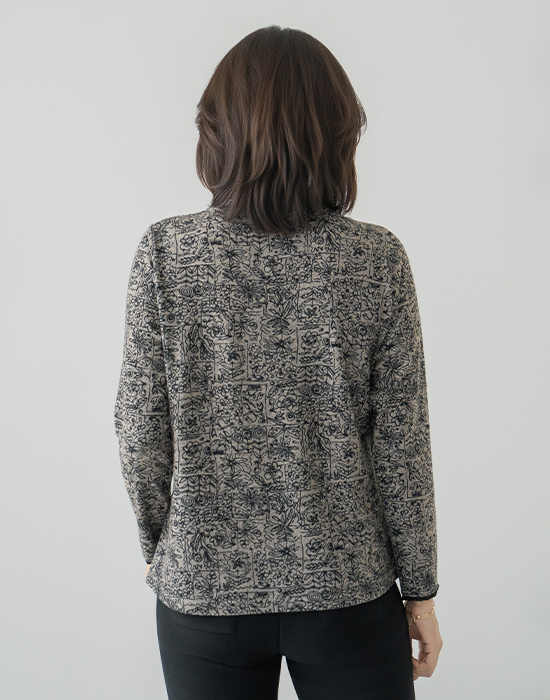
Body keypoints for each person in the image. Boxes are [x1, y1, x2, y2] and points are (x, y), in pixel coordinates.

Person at [114, 24, 443, 700]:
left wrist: (165, 547)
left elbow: (139, 427)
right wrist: (420, 591)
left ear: (217, 130)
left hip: (205, 589)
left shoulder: (167, 253)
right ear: (337, 133)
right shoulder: (376, 258)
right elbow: (401, 447)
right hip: (347, 589)